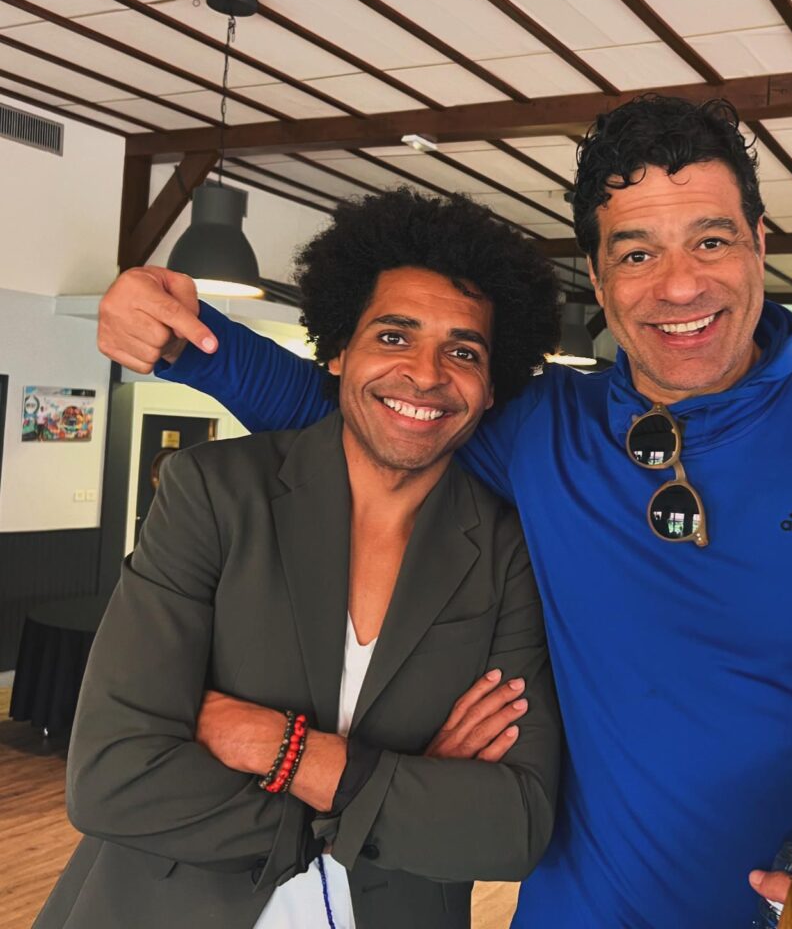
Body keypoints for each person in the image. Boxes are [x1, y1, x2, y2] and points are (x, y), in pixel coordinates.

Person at [96, 96, 792, 927]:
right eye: (637, 252)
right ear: (599, 274)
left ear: (758, 240)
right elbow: (378, 413)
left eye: (710, 240)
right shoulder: (546, 429)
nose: (679, 285)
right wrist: (186, 342)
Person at [39, 190, 563, 929]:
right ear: (339, 351)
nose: (425, 373)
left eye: (463, 351)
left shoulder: (508, 552)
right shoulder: (214, 494)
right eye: (393, 336)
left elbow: (511, 827)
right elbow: (112, 779)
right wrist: (396, 794)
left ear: (490, 388)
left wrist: (281, 751)